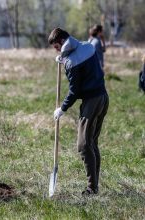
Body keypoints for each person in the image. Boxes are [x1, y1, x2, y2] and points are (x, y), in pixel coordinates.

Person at [48, 27, 109, 196]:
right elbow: (85, 67)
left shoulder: (70, 62)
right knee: (92, 143)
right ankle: (94, 186)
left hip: (92, 101)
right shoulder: (88, 46)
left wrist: (62, 108)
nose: (56, 50)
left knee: (83, 145)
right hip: (103, 98)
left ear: (61, 42)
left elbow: (74, 91)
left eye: (56, 47)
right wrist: (64, 57)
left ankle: (92, 187)